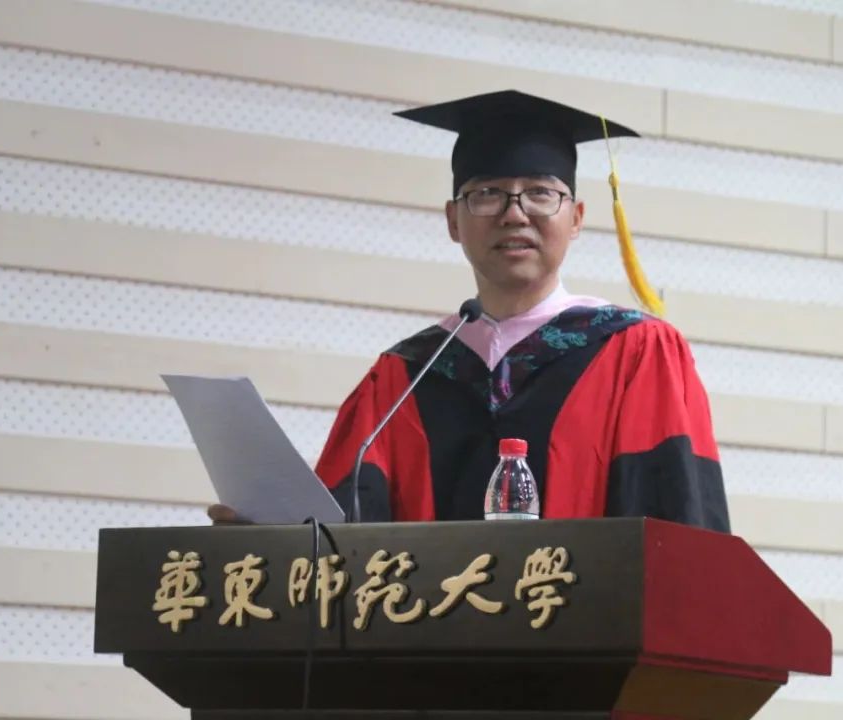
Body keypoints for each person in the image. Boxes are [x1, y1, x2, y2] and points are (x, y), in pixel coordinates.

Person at [210, 90, 729, 532]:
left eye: (541, 194)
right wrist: (269, 540)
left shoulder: (635, 353)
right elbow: (341, 538)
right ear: (453, 221)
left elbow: (677, 525)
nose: (514, 213)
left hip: (590, 625)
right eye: (487, 195)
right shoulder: (405, 376)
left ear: (576, 218)